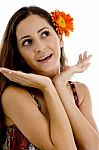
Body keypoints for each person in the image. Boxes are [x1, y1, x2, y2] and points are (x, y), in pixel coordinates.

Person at [0, 5, 99, 150]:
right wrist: (48, 88)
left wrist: (59, 86)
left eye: (45, 34)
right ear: (20, 56)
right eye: (27, 42)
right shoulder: (14, 95)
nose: (40, 47)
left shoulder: (80, 91)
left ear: (60, 38)